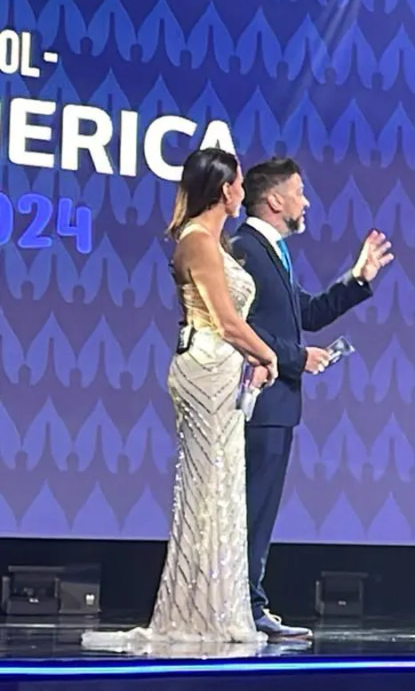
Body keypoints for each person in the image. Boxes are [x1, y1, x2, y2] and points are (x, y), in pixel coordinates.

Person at [82, 147, 279, 652]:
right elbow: (227, 320)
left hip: (223, 371)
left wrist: (253, 359)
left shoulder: (216, 242)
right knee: (205, 490)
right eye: (237, 184)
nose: (242, 192)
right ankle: (196, 613)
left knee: (222, 491)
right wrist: (268, 355)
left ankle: (218, 607)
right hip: (204, 370)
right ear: (222, 189)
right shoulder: (196, 242)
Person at [231, 157, 393, 639]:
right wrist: (298, 358)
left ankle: (250, 600)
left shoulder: (272, 251)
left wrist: (358, 277)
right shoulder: (245, 248)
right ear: (275, 200)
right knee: (249, 507)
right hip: (258, 400)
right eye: (299, 192)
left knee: (261, 509)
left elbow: (309, 312)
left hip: (279, 403)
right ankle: (243, 603)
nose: (305, 202)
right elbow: (243, 330)